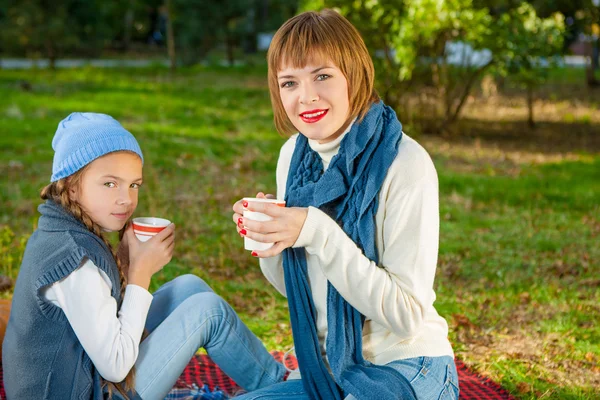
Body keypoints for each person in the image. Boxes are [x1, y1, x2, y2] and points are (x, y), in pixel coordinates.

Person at [231, 9, 459, 400]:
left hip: (406, 364)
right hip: (327, 368)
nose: (307, 97)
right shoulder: (293, 157)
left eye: (322, 76)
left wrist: (315, 230)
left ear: (354, 74)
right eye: (289, 82)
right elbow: (301, 289)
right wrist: (271, 242)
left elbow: (406, 316)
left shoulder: (405, 163)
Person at [3, 113, 286, 400]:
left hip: (86, 374)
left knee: (189, 287)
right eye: (110, 184)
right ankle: (283, 386)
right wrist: (139, 274)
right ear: (72, 186)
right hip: (83, 391)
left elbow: (98, 314)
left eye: (133, 184)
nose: (126, 198)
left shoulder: (66, 228)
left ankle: (276, 379)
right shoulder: (75, 261)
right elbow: (115, 366)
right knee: (207, 311)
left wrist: (123, 266)